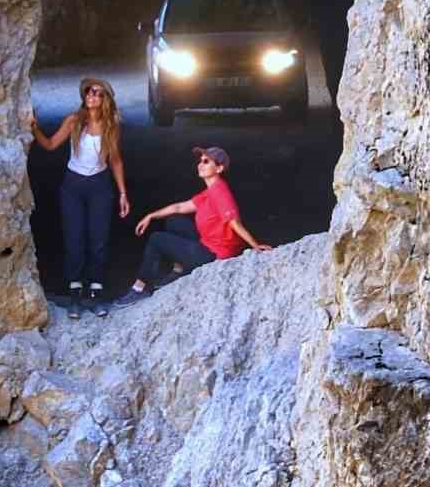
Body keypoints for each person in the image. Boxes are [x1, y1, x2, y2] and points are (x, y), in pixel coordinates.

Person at [113, 146, 269, 307]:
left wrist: (255, 245)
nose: (200, 164)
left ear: (219, 168)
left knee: (156, 239)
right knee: (174, 221)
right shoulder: (211, 191)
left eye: (206, 162)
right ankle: (178, 270)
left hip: (214, 255)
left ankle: (140, 289)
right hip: (208, 243)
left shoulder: (220, 192)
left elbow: (234, 222)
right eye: (200, 161)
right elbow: (179, 207)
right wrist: (150, 216)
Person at [32, 77, 130, 318]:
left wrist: (123, 193)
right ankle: (75, 295)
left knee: (98, 241)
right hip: (73, 186)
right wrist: (34, 128)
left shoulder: (112, 124)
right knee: (74, 240)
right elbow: (51, 144)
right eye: (88, 93)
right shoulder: (74, 121)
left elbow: (115, 160)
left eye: (97, 93)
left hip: (100, 185)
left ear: (105, 98)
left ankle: (96, 294)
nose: (92, 96)